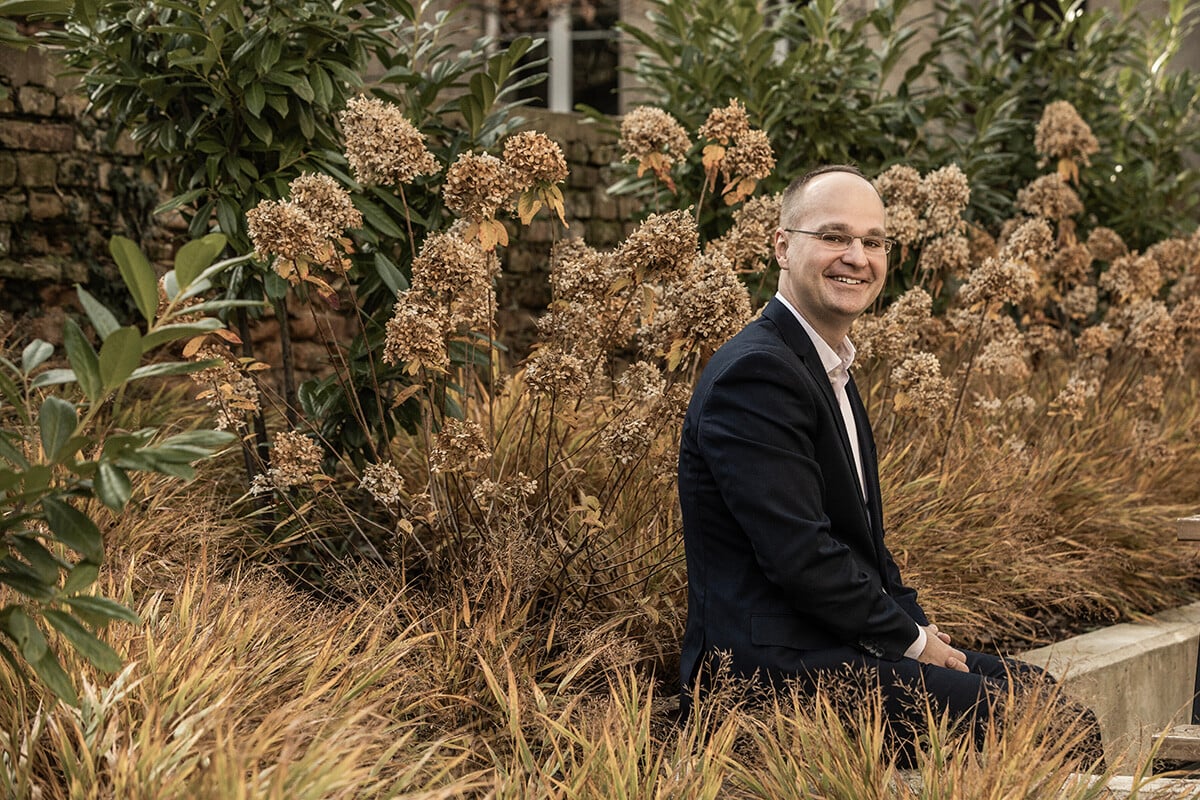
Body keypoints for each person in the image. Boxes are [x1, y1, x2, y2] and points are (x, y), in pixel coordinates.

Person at [676, 164, 1101, 761]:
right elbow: (801, 556)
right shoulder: (757, 373)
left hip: (833, 648)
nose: (857, 257)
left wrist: (920, 629)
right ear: (781, 246)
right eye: (833, 236)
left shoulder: (826, 368)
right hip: (769, 680)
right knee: (1042, 725)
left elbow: (865, 550)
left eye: (872, 242)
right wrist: (911, 642)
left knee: (1043, 696)